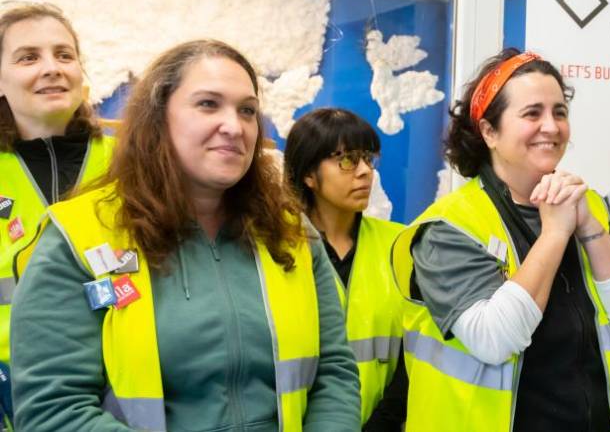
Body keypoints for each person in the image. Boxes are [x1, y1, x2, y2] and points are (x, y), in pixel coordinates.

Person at [11, 39, 359, 431]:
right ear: (158, 119)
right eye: (208, 104)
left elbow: (334, 372)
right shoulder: (78, 237)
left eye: (247, 110)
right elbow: (54, 409)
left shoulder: (290, 231)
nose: (234, 126)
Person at [391, 48, 610, 431]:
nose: (551, 126)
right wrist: (555, 233)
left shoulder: (590, 205)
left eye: (560, 112)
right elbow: (494, 338)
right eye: (532, 113)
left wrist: (588, 226)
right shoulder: (447, 227)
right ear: (489, 132)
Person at [0, 2, 114, 427]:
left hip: (123, 389)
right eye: (28, 57)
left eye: (64, 55)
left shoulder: (132, 167)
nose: (52, 68)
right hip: (14, 391)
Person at [284, 108, 407, 431]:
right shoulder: (278, 252)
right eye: (347, 160)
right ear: (309, 174)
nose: (366, 172)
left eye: (368, 158)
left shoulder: (399, 245)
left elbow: (416, 357)